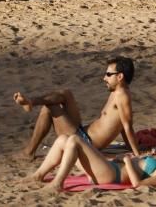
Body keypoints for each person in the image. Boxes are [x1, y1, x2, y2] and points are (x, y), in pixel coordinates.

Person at [13, 56, 141, 159]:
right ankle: (31, 102)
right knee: (66, 94)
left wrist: (137, 154)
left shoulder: (122, 95)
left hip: (85, 143)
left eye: (108, 74)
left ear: (120, 77)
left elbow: (127, 126)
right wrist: (131, 148)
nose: (104, 78)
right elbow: (122, 126)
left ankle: (28, 152)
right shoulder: (116, 92)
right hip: (82, 133)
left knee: (49, 108)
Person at [31, 139, 156, 193]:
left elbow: (137, 184)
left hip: (111, 174)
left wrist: (126, 162)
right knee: (64, 139)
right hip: (111, 166)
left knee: (75, 141)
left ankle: (58, 182)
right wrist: (123, 158)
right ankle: (39, 174)